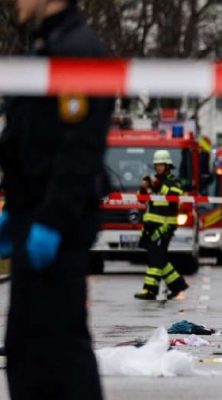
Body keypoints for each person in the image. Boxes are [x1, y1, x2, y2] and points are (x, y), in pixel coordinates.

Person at [0, 1, 111, 398]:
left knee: (61, 356)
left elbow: (79, 150)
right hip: (34, 220)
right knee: (29, 355)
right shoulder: (46, 48)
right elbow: (29, 144)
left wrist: (49, 221)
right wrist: (14, 215)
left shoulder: (76, 50)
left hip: (56, 232)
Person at [133, 150, 189, 300]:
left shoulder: (173, 181)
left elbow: (173, 195)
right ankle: (177, 285)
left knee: (156, 257)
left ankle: (151, 290)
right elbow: (141, 199)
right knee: (157, 258)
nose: (158, 168)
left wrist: (157, 185)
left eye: (160, 165)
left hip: (164, 226)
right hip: (150, 225)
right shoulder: (153, 180)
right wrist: (144, 187)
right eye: (156, 165)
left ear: (168, 166)